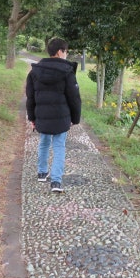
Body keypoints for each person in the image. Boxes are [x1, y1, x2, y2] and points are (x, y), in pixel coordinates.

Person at [26, 37, 81, 193]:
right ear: (59, 52)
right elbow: (74, 98)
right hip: (61, 117)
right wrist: (75, 118)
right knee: (59, 147)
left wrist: (32, 118)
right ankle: (56, 181)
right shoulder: (67, 72)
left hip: (42, 116)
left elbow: (30, 98)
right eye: (66, 51)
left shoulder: (34, 72)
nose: (66, 54)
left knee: (44, 143)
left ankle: (42, 173)